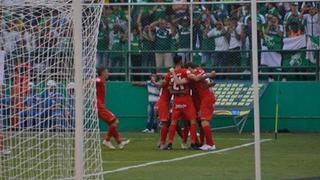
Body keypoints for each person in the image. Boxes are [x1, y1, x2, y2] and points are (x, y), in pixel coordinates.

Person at [163, 55, 198, 150]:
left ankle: (170, 143)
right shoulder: (184, 71)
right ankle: (194, 143)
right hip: (186, 98)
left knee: (173, 122)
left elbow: (168, 87)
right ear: (181, 61)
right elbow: (191, 78)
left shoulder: (170, 73)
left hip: (176, 100)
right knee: (192, 121)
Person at [184, 63, 217, 151]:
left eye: (187, 70)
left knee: (204, 120)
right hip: (205, 98)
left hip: (207, 98)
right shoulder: (200, 71)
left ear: (190, 68)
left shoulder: (197, 72)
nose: (187, 72)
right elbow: (210, 83)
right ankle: (207, 143)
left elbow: (196, 78)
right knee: (202, 121)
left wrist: (210, 75)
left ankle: (211, 144)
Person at [97, 66, 130, 149]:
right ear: (103, 73)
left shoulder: (103, 80)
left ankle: (119, 143)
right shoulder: (100, 79)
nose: (108, 73)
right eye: (107, 72)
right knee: (115, 121)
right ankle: (107, 140)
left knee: (112, 124)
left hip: (99, 105)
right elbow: (95, 80)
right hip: (98, 105)